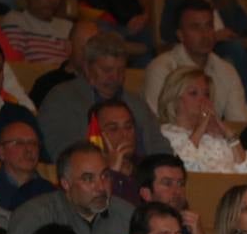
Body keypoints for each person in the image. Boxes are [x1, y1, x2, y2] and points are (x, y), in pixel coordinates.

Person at [3, 142, 136, 234]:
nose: (101, 187)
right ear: (66, 183)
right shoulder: (34, 216)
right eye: (88, 179)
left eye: (105, 176)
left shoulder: (128, 215)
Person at [37, 31, 171, 162]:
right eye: (107, 70)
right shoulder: (61, 99)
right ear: (87, 68)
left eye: (121, 70)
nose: (115, 77)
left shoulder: (137, 104)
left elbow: (160, 147)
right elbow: (63, 153)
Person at [144, 0, 247, 126]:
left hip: (213, 142)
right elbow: (158, 124)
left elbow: (240, 123)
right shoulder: (162, 68)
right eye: (195, 27)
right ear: (180, 35)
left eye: (209, 26)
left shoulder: (227, 70)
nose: (205, 34)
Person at [156, 67, 247, 175]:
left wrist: (228, 133)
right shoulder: (167, 133)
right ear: (175, 99)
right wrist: (200, 127)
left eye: (206, 94)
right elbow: (182, 167)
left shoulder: (216, 135)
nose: (203, 100)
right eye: (193, 93)